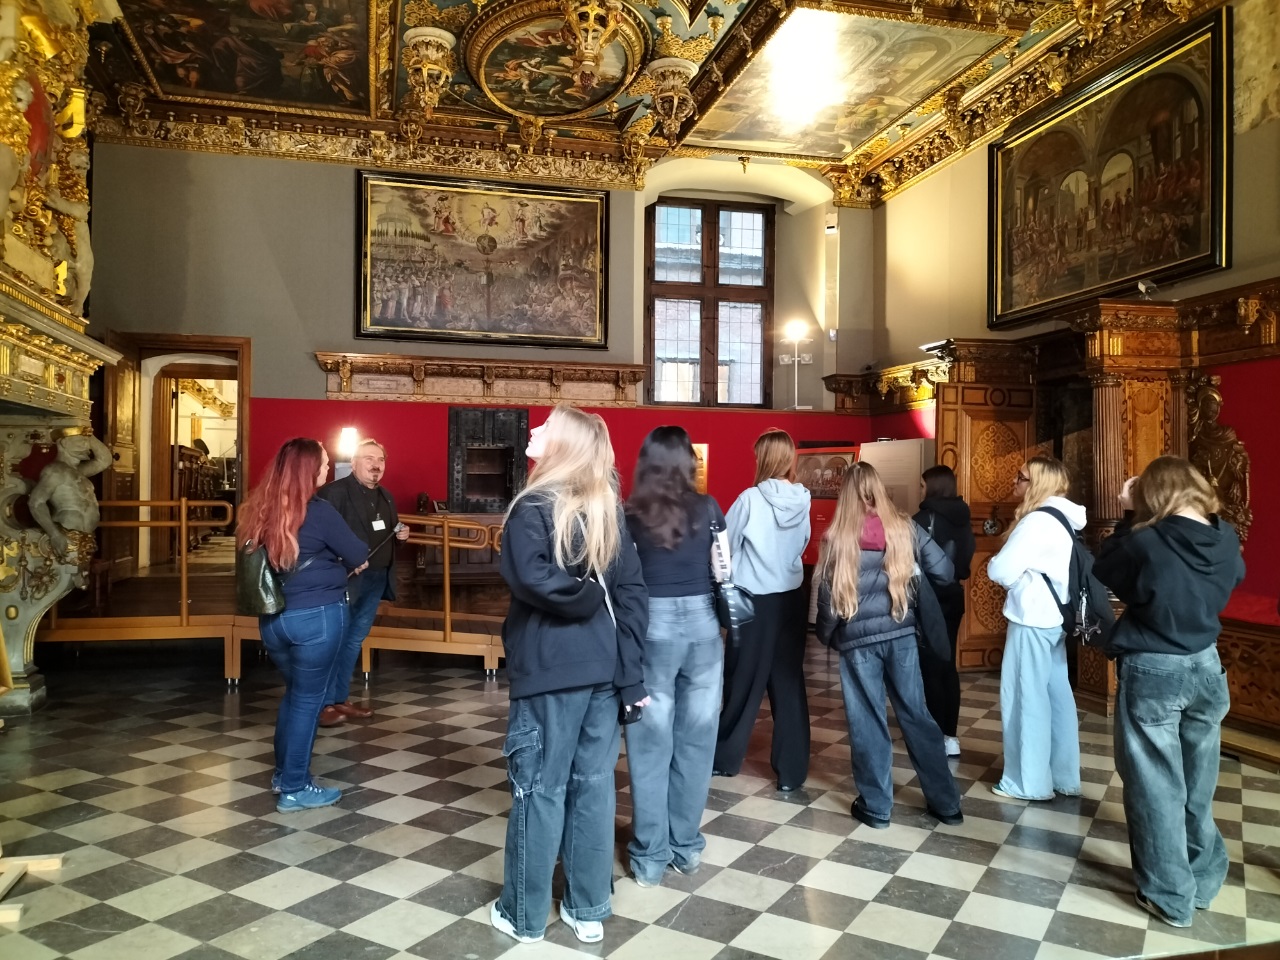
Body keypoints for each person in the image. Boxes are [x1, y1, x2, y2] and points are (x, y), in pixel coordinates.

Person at [491, 404, 649, 946]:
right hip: (603, 668)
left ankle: (524, 916)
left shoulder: (532, 505)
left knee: (540, 787)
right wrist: (630, 674)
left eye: (547, 427)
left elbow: (532, 577)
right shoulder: (608, 507)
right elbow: (631, 596)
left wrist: (582, 598)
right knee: (592, 788)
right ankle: (588, 909)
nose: (535, 429)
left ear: (563, 445)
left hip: (550, 670)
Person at [1094, 457, 1244, 928]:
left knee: (1155, 783)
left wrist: (1127, 515)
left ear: (1151, 493)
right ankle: (1203, 878)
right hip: (1207, 663)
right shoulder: (1225, 536)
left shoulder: (1146, 540)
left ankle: (1169, 896)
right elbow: (1236, 577)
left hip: (1155, 666)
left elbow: (1106, 568)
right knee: (1198, 780)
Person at [816, 462, 963, 828]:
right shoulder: (904, 527)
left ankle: (877, 806)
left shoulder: (838, 537)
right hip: (901, 635)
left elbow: (828, 599)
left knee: (867, 720)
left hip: (857, 642)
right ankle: (946, 804)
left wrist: (826, 635)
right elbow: (945, 572)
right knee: (917, 715)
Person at [239, 439, 368, 813]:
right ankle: (295, 788)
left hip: (274, 620)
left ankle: (283, 776)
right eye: (324, 463)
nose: (327, 469)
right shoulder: (319, 511)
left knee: (296, 695)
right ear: (309, 470)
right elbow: (358, 553)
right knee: (309, 702)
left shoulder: (258, 509)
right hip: (317, 618)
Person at [623, 426, 724, 887]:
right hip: (703, 627)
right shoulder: (708, 507)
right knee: (697, 741)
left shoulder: (630, 514)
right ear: (688, 463)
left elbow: (622, 578)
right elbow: (725, 570)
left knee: (649, 744)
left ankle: (650, 857)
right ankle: (686, 847)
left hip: (653, 628)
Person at [713, 428, 811, 791]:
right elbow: (803, 542)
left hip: (754, 601)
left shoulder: (749, 499)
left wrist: (727, 579)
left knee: (742, 680)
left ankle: (725, 759)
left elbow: (723, 546)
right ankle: (792, 772)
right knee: (788, 683)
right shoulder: (803, 498)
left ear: (763, 459)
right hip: (791, 599)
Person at [986, 456, 1083, 801]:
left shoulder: (1037, 521)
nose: (1014, 481)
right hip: (1056, 617)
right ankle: (1063, 776)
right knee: (1057, 695)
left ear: (1038, 483)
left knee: (1025, 697)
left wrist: (1009, 578)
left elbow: (1000, 570)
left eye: (1021, 477)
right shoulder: (1063, 517)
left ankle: (1028, 782)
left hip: (1031, 618)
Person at [315, 438, 410, 727]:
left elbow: (386, 533)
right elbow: (320, 537)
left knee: (354, 640)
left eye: (380, 460)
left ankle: (339, 699)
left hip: (376, 579)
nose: (375, 464)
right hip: (345, 580)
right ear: (354, 462)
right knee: (334, 640)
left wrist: (402, 536)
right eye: (369, 458)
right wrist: (345, 562)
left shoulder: (386, 496)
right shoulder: (334, 493)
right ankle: (322, 704)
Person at [913, 465, 976, 757]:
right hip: (954, 597)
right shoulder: (964, 517)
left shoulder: (922, 519)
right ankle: (950, 736)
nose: (920, 490)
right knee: (948, 666)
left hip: (929, 600)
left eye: (922, 485)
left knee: (930, 667)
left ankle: (935, 734)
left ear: (933, 486)